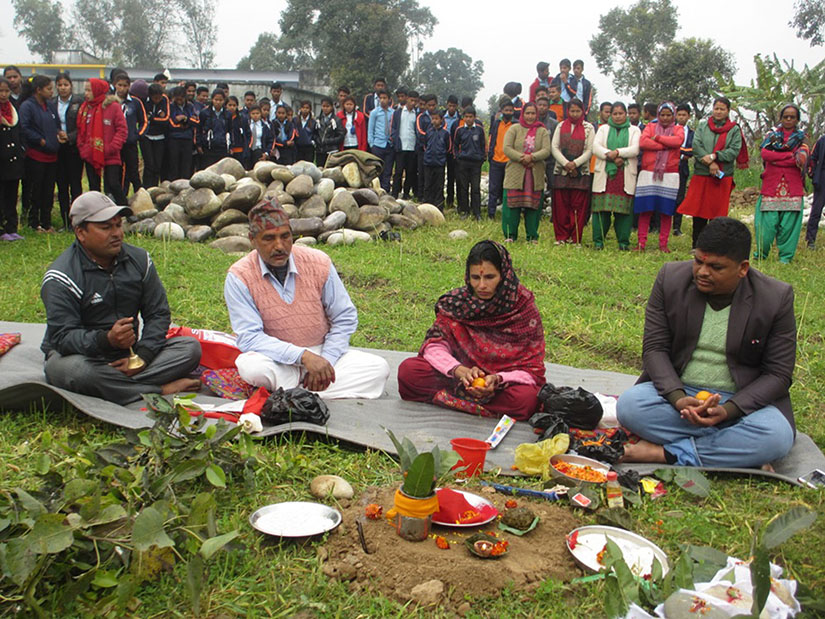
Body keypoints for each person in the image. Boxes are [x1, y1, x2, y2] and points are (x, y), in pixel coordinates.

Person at [617, 217, 796, 469]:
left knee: (776, 437)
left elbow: (778, 374)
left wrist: (729, 410)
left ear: (742, 268)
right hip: (681, 395)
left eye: (716, 267)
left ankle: (666, 454)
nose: (702, 271)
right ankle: (736, 450)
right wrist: (678, 398)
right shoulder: (670, 279)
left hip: (743, 403)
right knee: (630, 407)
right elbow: (655, 349)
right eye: (698, 261)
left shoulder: (775, 298)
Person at [41, 192, 202, 405]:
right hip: (84, 357)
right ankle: (156, 390)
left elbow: (158, 313)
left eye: (118, 225)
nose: (117, 233)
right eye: (106, 227)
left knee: (190, 349)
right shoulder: (62, 277)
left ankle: (117, 386)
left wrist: (143, 357)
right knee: (76, 372)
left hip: (130, 355)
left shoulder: (140, 260)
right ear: (80, 233)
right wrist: (106, 339)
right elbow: (62, 337)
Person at [223, 200, 390, 398]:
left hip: (321, 351)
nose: (279, 246)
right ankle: (311, 391)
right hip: (278, 359)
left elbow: (344, 317)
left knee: (379, 368)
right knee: (251, 367)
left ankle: (293, 393)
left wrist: (325, 361)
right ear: (253, 239)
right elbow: (250, 337)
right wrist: (302, 357)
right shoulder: (239, 276)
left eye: (285, 236)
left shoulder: (318, 262)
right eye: (269, 238)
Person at [397, 240, 546, 420]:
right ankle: (483, 408)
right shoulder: (458, 304)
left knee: (526, 400)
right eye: (475, 278)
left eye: (489, 277)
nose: (482, 285)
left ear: (504, 275)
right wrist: (459, 370)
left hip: (500, 386)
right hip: (458, 378)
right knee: (409, 371)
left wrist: (497, 379)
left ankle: (450, 400)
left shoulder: (522, 309)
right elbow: (435, 345)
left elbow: (531, 370)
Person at [677, 97, 747, 247]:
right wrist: (709, 162)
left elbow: (734, 151)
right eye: (716, 108)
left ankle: (713, 247)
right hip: (702, 174)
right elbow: (696, 146)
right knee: (699, 212)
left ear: (728, 111)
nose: (719, 112)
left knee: (717, 215)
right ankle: (696, 245)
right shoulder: (703, 126)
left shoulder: (734, 130)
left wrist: (715, 157)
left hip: (722, 176)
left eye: (722, 109)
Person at [753, 104, 810, 263]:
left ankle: (785, 258)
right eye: (786, 116)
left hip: (793, 188)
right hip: (771, 186)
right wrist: (789, 157)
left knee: (789, 227)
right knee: (766, 225)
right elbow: (765, 154)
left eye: (793, 117)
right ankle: (761, 255)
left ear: (797, 119)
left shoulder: (803, 137)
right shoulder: (771, 135)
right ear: (781, 118)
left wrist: (777, 158)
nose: (789, 119)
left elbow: (802, 159)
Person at [634, 102, 685, 252]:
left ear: (673, 115)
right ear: (658, 115)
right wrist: (665, 145)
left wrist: (656, 138)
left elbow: (678, 141)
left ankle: (663, 244)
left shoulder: (678, 129)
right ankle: (641, 243)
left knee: (666, 210)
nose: (665, 118)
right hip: (648, 172)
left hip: (669, 174)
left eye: (668, 115)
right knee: (645, 209)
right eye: (662, 115)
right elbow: (643, 142)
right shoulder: (650, 126)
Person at [591, 102, 641, 250]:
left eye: (621, 113)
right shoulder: (603, 129)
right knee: (601, 210)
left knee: (624, 212)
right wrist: (609, 156)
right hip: (606, 174)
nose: (618, 117)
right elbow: (596, 147)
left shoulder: (634, 130)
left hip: (624, 174)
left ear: (625, 114)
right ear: (610, 115)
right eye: (615, 114)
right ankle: (598, 242)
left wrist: (618, 152)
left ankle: (623, 242)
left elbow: (635, 149)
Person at [501, 102, 551, 243]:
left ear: (537, 115)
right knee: (511, 205)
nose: (530, 116)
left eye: (533, 113)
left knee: (533, 206)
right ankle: (510, 235)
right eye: (527, 113)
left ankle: (532, 236)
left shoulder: (542, 131)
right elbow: (507, 148)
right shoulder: (514, 129)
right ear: (522, 114)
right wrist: (522, 158)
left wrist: (532, 157)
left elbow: (547, 150)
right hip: (515, 173)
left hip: (534, 174)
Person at [77, 78, 128, 206]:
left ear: (97, 90)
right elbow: (81, 131)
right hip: (91, 155)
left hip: (110, 153)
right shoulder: (85, 108)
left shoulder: (113, 107)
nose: (86, 93)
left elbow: (122, 130)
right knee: (94, 188)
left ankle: (125, 210)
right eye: (86, 90)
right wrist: (84, 150)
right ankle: (99, 214)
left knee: (113, 184)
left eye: (89, 90)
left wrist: (112, 147)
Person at [550, 98, 594, 244]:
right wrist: (565, 163)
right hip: (561, 171)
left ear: (583, 111)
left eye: (578, 111)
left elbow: (589, 150)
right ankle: (561, 236)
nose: (575, 114)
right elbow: (554, 147)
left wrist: (575, 163)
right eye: (572, 111)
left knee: (578, 206)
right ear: (567, 111)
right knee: (561, 206)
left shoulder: (589, 128)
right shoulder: (561, 125)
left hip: (581, 172)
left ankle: (575, 238)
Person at [19, 74, 60, 232]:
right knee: (36, 190)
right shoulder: (27, 106)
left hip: (52, 156)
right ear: (38, 90)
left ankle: (46, 222)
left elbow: (55, 124)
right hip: (36, 155)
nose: (52, 92)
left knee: (48, 191)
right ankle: (34, 222)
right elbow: (25, 127)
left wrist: (59, 133)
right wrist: (40, 140)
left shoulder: (50, 106)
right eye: (49, 89)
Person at [53, 73, 84, 229]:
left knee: (75, 184)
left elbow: (83, 126)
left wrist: (70, 136)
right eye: (60, 85)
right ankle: (65, 219)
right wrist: (58, 133)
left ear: (71, 85)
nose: (63, 88)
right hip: (58, 148)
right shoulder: (51, 103)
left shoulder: (79, 102)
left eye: (65, 85)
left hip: (74, 147)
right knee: (62, 184)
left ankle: (77, 219)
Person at [113, 73, 146, 195]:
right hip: (115, 144)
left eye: (125, 85)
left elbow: (144, 121)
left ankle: (140, 197)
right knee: (117, 172)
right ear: (114, 85)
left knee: (133, 171)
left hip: (130, 143)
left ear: (129, 87)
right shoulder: (110, 101)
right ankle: (121, 197)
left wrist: (137, 135)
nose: (122, 88)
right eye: (119, 85)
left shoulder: (135, 102)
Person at [0, 77, 24, 241]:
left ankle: (11, 227)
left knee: (11, 194)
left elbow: (19, 133)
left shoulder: (13, 109)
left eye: (6, 91)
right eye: (0, 91)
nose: (3, 94)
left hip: (13, 161)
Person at [453, 106, 486, 220]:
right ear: (463, 118)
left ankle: (477, 212)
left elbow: (483, 145)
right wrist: (458, 157)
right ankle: (465, 210)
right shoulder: (460, 130)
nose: (468, 119)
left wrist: (482, 157)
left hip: (476, 163)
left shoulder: (479, 130)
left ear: (475, 117)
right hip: (463, 162)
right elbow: (455, 145)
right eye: (466, 117)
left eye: (470, 117)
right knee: (463, 187)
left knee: (475, 188)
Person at [487, 98, 515, 219]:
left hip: (510, 162)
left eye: (510, 110)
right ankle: (491, 214)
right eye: (506, 110)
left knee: (508, 190)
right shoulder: (496, 123)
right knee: (493, 189)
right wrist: (490, 154)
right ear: (502, 111)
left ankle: (507, 214)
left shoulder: (515, 125)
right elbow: (491, 138)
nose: (508, 112)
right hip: (496, 160)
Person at [166, 86, 199, 180]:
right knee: (174, 164)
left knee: (187, 164)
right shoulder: (171, 106)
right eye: (177, 99)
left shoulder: (190, 106)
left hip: (187, 139)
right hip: (174, 139)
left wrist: (185, 119)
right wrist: (178, 123)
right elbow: (170, 123)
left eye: (181, 99)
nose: (179, 101)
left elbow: (196, 121)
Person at [390, 90, 418, 198]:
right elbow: (393, 128)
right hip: (401, 146)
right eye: (411, 100)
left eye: (415, 101)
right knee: (398, 172)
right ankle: (395, 193)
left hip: (412, 146)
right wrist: (395, 141)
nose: (413, 103)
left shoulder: (417, 114)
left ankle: (406, 193)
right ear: (407, 99)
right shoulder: (398, 112)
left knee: (410, 172)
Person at [422, 109, 451, 210]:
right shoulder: (428, 132)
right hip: (428, 162)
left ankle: (439, 207)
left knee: (439, 186)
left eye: (436, 119)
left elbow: (448, 148)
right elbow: (425, 146)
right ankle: (426, 207)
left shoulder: (445, 133)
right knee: (427, 185)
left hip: (440, 163)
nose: (434, 121)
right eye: (432, 118)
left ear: (441, 120)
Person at [673, 103, 694, 237]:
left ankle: (676, 227)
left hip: (682, 167)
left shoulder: (692, 133)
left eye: (684, 115)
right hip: (669, 166)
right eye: (679, 115)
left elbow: (692, 150)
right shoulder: (670, 130)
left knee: (680, 197)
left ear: (688, 116)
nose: (681, 118)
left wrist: (678, 150)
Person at [141, 83, 169, 186]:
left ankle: (154, 187)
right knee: (149, 165)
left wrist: (152, 118)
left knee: (157, 165)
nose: (158, 100)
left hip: (160, 137)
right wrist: (156, 118)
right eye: (155, 98)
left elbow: (166, 119)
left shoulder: (165, 100)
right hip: (147, 136)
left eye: (159, 98)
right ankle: (146, 187)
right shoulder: (144, 101)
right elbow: (144, 118)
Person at [367, 90, 395, 192]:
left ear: (389, 99)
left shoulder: (393, 113)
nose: (382, 100)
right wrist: (372, 144)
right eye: (381, 98)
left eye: (385, 98)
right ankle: (377, 190)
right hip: (378, 144)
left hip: (389, 144)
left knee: (388, 170)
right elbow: (370, 129)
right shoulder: (375, 112)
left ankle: (386, 190)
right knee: (378, 170)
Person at [197, 89, 232, 168]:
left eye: (220, 100)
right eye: (216, 100)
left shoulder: (228, 114)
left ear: (224, 100)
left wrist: (231, 146)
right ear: (212, 100)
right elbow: (199, 129)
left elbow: (230, 130)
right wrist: (199, 145)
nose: (218, 102)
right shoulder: (204, 113)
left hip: (223, 146)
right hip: (208, 147)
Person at [313, 97, 345, 168]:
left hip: (332, 151)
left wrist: (329, 141)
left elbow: (341, 136)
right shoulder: (318, 119)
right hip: (320, 151)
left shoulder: (337, 120)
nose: (325, 108)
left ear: (332, 107)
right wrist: (318, 140)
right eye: (323, 106)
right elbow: (314, 133)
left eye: (327, 106)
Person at [807, 131, 825, 249]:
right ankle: (810, 240)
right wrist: (813, 174)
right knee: (816, 210)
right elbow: (813, 158)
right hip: (823, 178)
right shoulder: (822, 140)